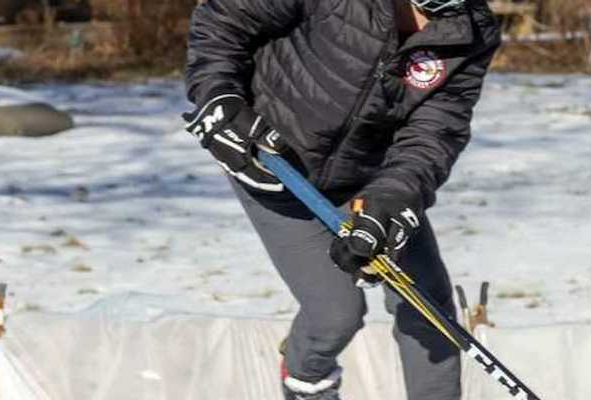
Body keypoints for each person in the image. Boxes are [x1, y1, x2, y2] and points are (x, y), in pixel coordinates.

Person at [182, 0, 501, 398]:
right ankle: (306, 380)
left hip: (368, 179)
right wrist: (218, 96)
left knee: (428, 308)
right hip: (272, 167)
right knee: (336, 314)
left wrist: (392, 200)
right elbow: (224, 19)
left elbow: (434, 132)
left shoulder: (470, 31)